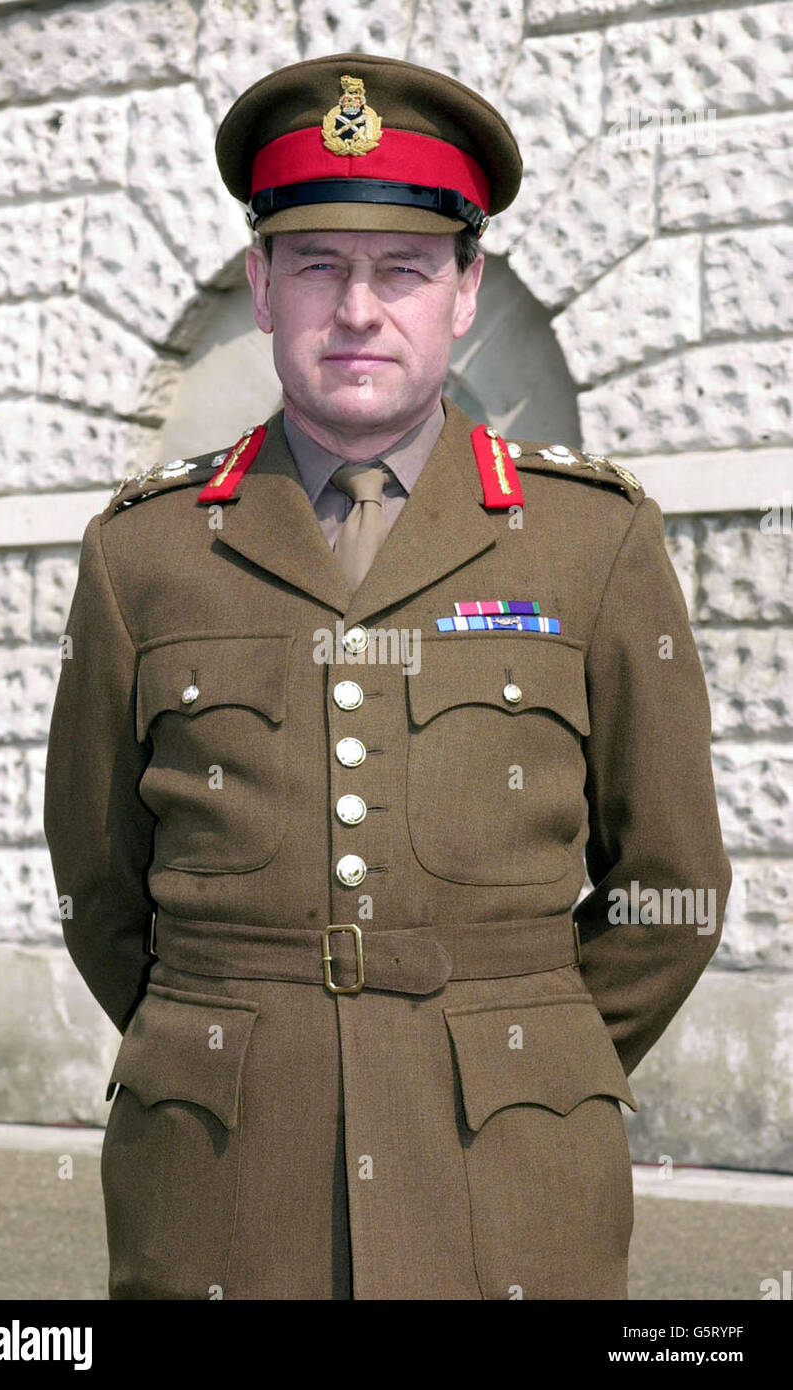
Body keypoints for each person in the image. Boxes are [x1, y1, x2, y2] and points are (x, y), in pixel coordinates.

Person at [43, 50, 732, 1301]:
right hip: (222, 1193)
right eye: (318, 265)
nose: (358, 310)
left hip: (510, 1194)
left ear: (465, 290)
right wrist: (231, 1040)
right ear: (260, 285)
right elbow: (100, 890)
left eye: (403, 269)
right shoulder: (140, 556)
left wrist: (528, 1059)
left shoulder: (594, 542)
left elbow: (672, 884)